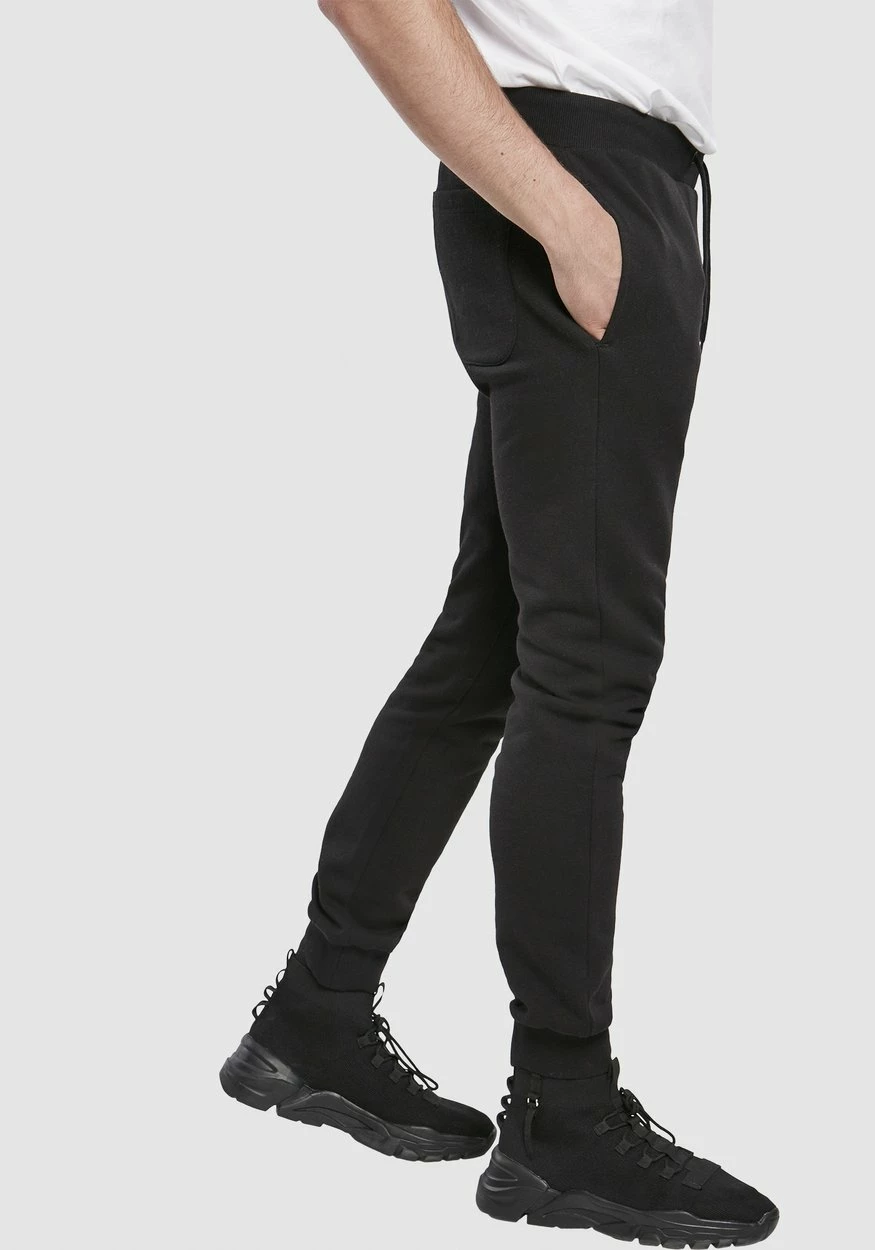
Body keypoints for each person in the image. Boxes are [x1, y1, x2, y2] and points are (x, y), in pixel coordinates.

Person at [220, 2, 779, 1243]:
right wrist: (570, 219)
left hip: (603, 181)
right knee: (588, 663)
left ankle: (317, 1007)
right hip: (570, 178)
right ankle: (563, 1111)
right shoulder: (571, 194)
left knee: (491, 642)